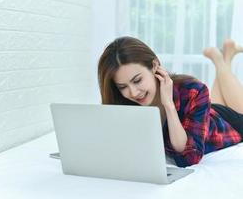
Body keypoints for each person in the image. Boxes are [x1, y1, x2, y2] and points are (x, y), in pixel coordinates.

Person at [97, 36, 243, 167]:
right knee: (219, 101)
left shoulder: (192, 90)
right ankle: (226, 56)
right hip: (207, 114)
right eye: (123, 87)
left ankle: (220, 60)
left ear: (154, 66)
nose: (134, 92)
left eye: (137, 80)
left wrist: (168, 105)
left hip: (228, 123)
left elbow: (189, 158)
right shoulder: (124, 102)